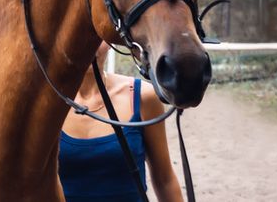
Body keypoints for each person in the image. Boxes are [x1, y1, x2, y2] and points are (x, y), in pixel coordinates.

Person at [58, 42, 183, 202]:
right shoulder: (45, 103)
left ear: (110, 41)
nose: (89, 44)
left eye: (96, 35)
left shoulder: (143, 96)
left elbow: (164, 179)